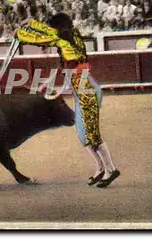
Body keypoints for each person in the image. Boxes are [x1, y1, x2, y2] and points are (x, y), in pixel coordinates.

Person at [14, 13, 120, 188]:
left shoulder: (62, 36)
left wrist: (21, 34)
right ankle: (103, 168)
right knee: (85, 134)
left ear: (59, 27)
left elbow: (43, 39)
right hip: (83, 91)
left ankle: (111, 169)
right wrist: (32, 23)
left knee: (92, 134)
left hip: (86, 92)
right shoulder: (71, 33)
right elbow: (49, 33)